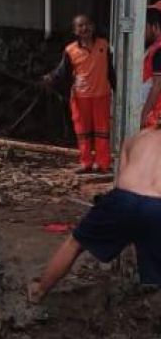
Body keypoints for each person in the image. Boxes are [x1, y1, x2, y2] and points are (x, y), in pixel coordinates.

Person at [29, 122, 161, 303]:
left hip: (123, 198)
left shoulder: (136, 139)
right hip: (157, 206)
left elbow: (120, 181)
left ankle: (39, 290)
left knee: (74, 244)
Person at [43, 15, 115, 174]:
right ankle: (86, 163)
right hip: (80, 97)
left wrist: (116, 90)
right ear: (75, 30)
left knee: (102, 131)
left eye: (88, 24)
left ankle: (102, 163)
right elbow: (63, 72)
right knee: (82, 132)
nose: (85, 28)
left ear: (93, 27)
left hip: (101, 95)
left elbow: (111, 70)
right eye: (80, 26)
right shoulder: (70, 50)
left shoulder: (104, 45)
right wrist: (50, 78)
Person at [139, 6, 161, 129]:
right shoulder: (154, 48)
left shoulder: (159, 50)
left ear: (155, 26)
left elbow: (157, 85)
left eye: (144, 27)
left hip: (156, 114)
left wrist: (144, 114)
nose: (142, 32)